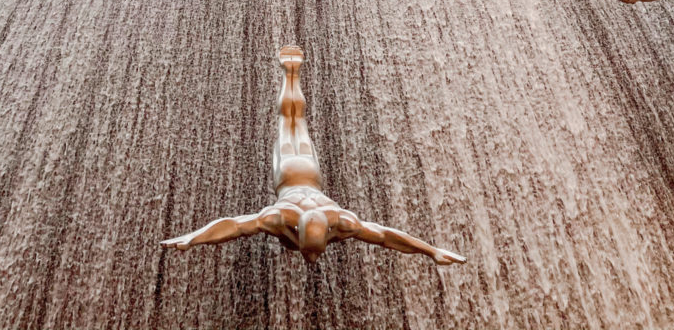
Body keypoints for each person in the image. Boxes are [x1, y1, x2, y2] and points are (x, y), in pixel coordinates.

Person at [163, 46, 466, 266]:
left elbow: (234, 225)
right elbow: (387, 236)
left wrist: (194, 238)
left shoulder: (285, 217)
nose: (314, 255)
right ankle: (291, 75)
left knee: (293, 121)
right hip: (296, 175)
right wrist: (431, 251)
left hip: (305, 174)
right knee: (293, 122)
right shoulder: (338, 221)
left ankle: (291, 75)